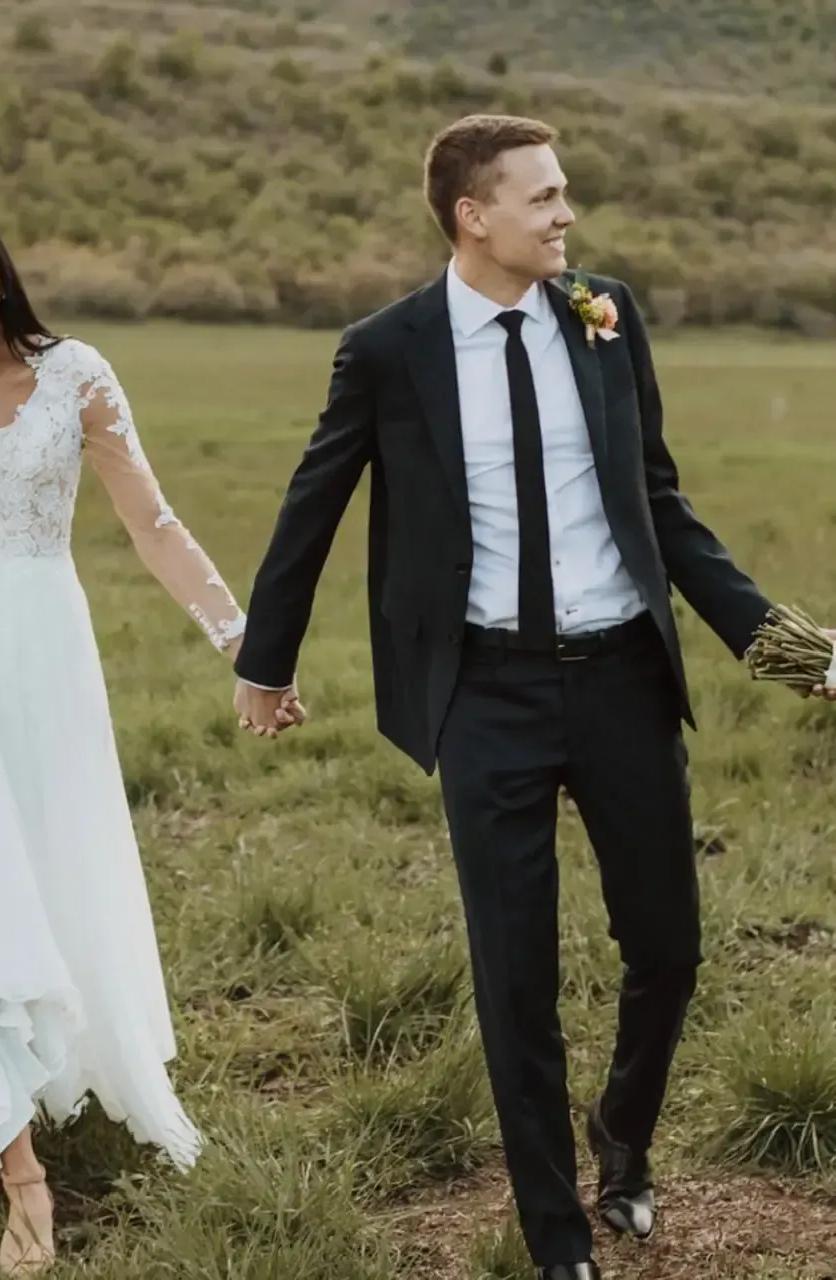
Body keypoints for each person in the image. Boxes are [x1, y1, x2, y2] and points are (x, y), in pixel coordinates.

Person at [232, 114, 776, 1280]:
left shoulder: (605, 315)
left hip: (626, 673)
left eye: (563, 193)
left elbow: (662, 506)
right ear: (472, 215)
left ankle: (620, 1141)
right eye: (543, 197)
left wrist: (788, 650)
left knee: (668, 946)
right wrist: (263, 662)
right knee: (514, 975)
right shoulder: (388, 350)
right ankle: (554, 1235)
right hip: (485, 692)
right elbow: (310, 503)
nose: (565, 215)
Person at [0, 202, 267, 1275]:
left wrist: (239, 639)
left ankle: (55, 1063)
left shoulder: (77, 375)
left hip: (46, 657)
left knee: (48, 863)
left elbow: (152, 523)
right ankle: (19, 1169)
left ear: (3, 279)